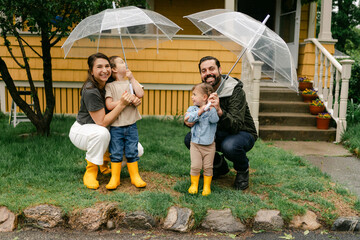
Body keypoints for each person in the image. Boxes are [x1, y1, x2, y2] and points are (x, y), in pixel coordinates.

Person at [184, 56, 258, 190]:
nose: (208, 73)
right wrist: (188, 121)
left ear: (220, 70)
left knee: (229, 146)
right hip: (218, 130)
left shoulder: (235, 91)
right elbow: (196, 112)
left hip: (243, 132)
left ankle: (242, 169)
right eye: (204, 70)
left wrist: (219, 110)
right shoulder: (204, 91)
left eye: (211, 69)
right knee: (191, 138)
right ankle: (219, 166)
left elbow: (236, 125)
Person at [69, 52, 139, 190]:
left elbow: (130, 94)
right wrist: (122, 104)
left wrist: (134, 99)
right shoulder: (90, 91)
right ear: (91, 71)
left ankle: (104, 163)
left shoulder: (110, 84)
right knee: (102, 133)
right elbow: (102, 122)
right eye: (99, 67)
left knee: (138, 149)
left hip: (103, 130)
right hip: (83, 130)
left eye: (107, 66)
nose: (104, 70)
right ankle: (91, 170)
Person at [105, 56, 146, 190]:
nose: (125, 63)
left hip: (131, 125)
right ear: (114, 69)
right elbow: (109, 105)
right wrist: (125, 100)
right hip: (116, 127)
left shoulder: (130, 83)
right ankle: (115, 178)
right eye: (122, 62)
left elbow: (140, 93)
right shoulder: (110, 86)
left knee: (132, 150)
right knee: (116, 152)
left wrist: (132, 79)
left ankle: (135, 176)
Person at [185, 83, 219, 196]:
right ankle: (194, 185)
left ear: (204, 97)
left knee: (208, 167)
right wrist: (200, 111)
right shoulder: (192, 109)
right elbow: (188, 118)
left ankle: (206, 186)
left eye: (194, 94)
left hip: (209, 146)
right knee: (195, 166)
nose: (192, 97)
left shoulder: (211, 110)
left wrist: (211, 108)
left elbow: (214, 120)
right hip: (195, 144)